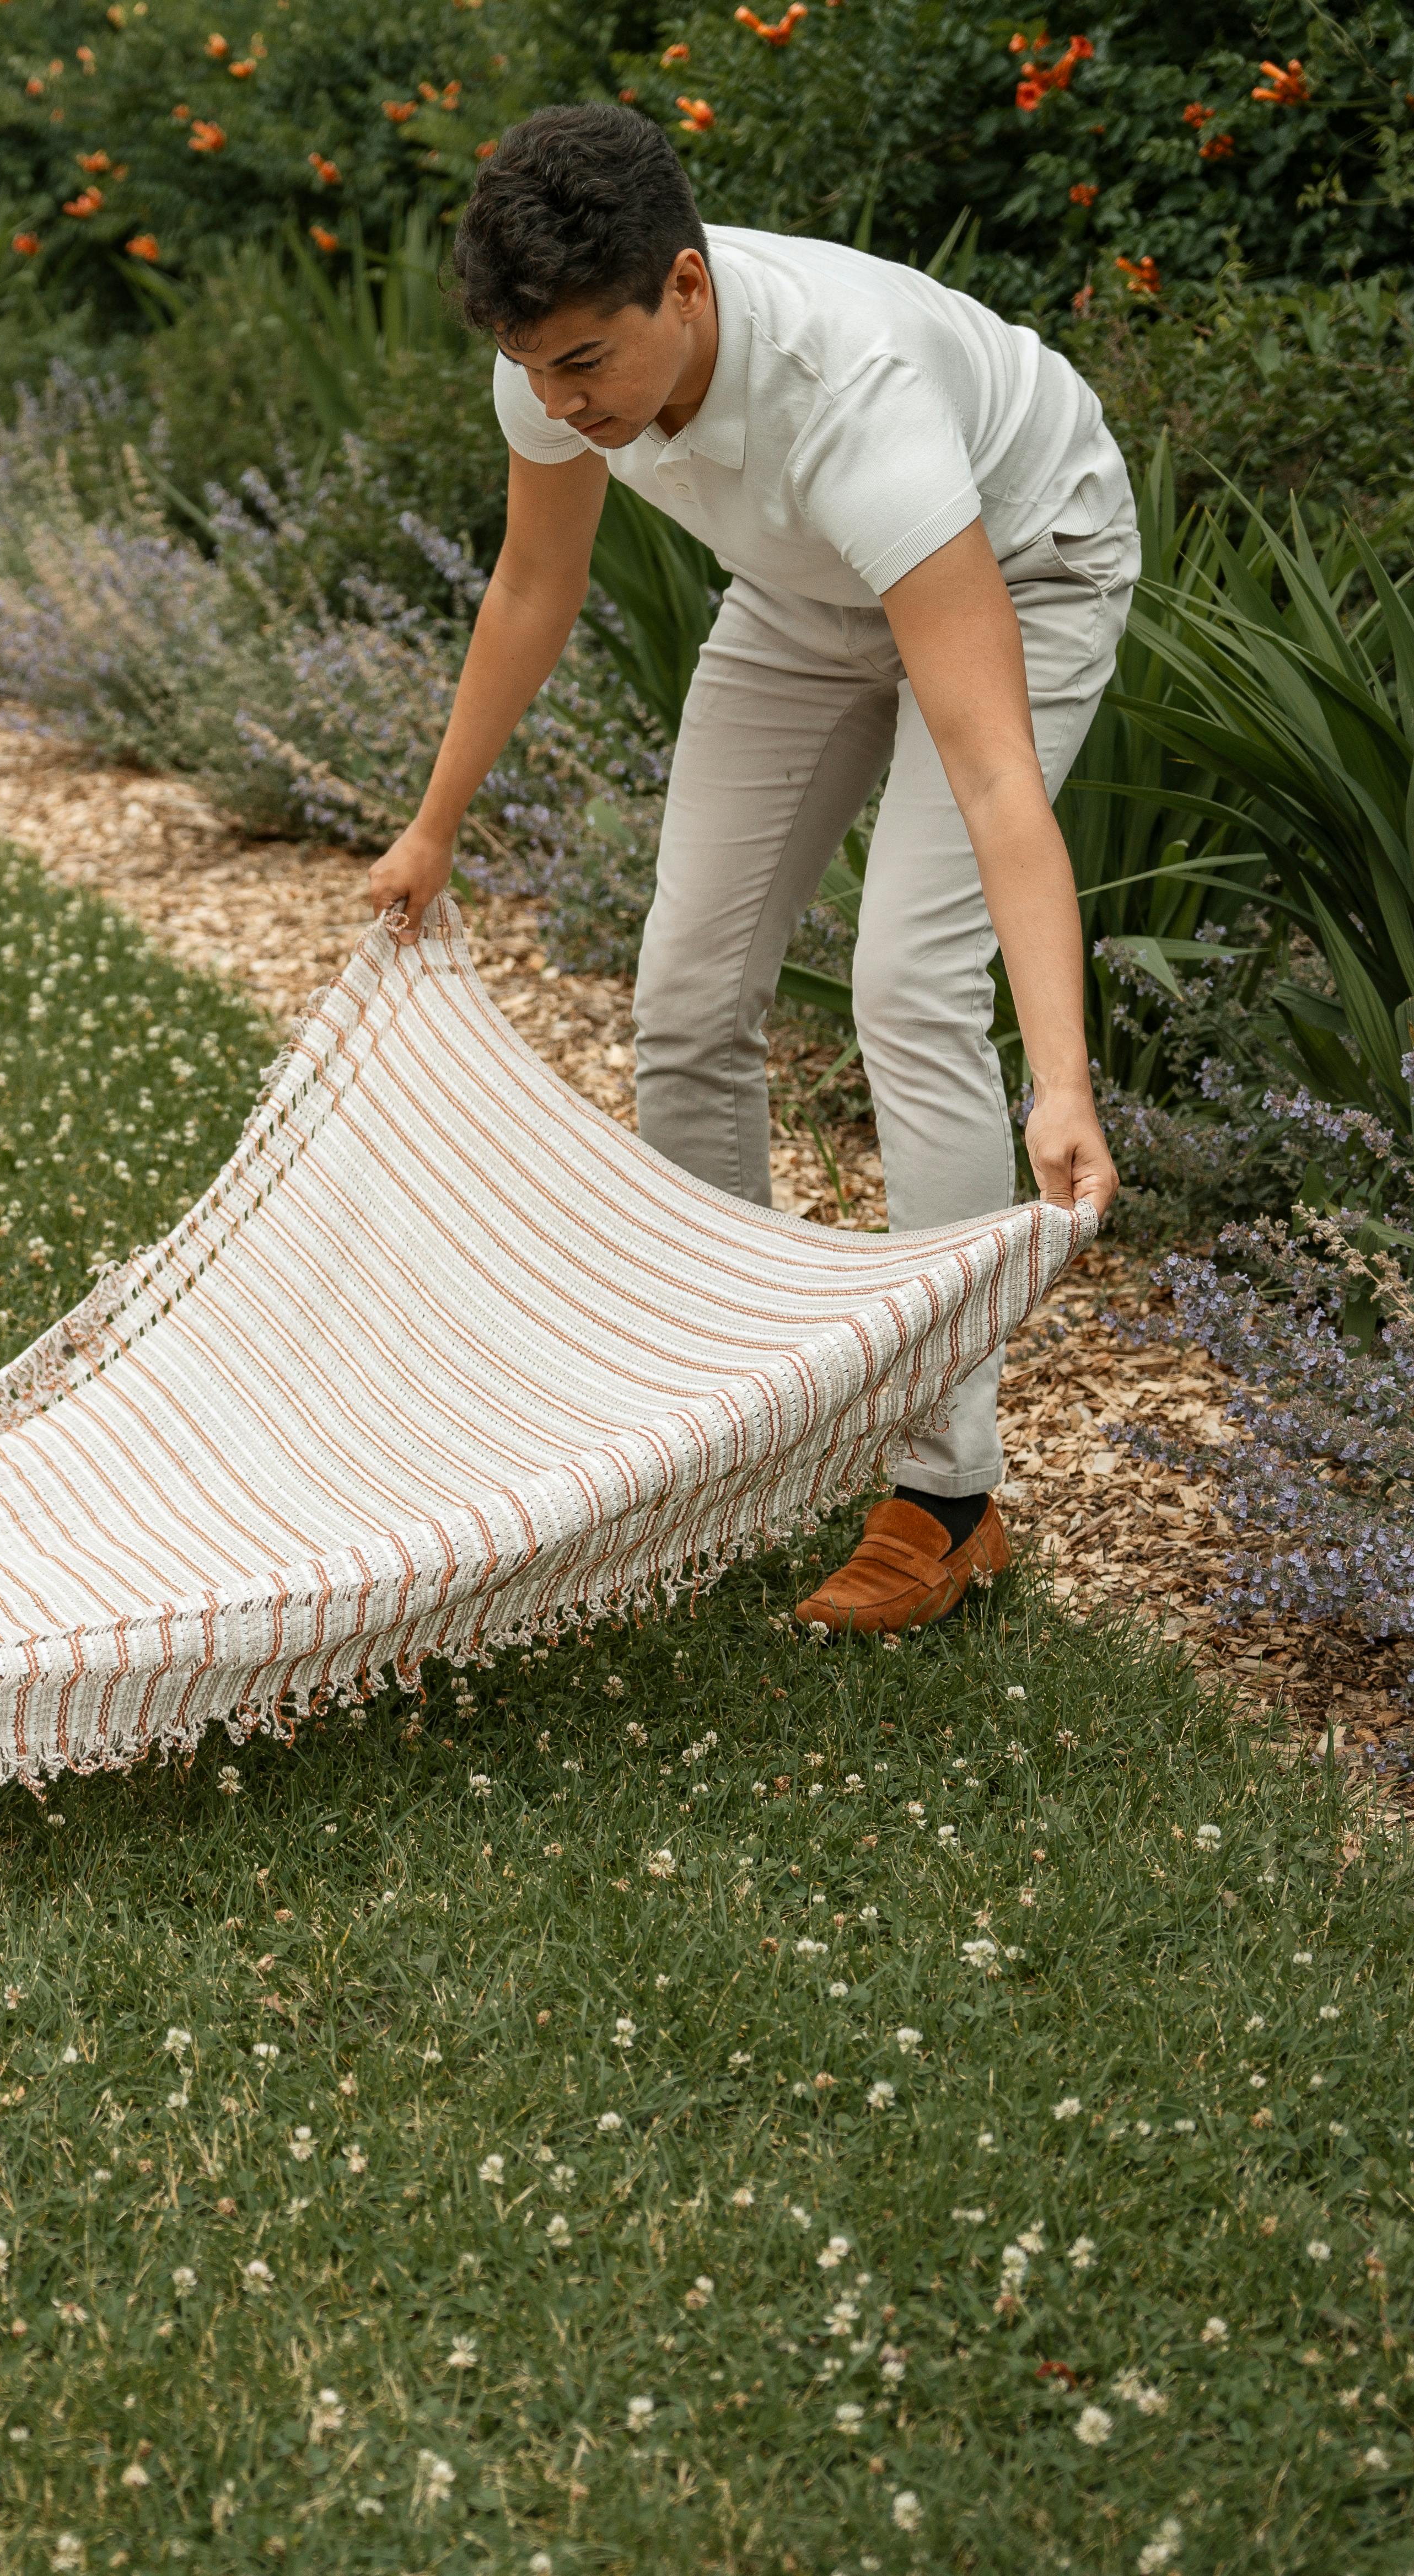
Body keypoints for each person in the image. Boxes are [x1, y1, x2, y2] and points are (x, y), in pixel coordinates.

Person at [365, 103, 1131, 1637]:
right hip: (802, 596)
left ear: (689, 289)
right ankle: (733, 1417)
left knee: (910, 983)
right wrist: (434, 824)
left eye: (588, 363)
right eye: (534, 369)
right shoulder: (550, 362)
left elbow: (989, 771)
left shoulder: (857, 401)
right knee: (685, 993)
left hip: (1021, 566)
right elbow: (532, 583)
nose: (560, 399)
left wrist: (1060, 1075)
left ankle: (947, 1494)